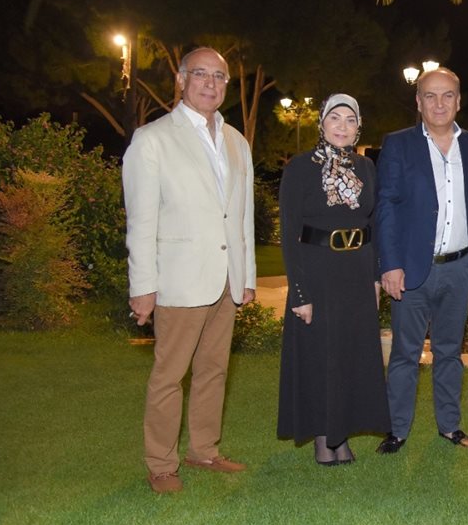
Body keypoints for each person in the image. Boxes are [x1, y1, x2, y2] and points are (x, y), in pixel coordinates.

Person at [122, 46, 255, 494]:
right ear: (181, 80)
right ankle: (161, 464)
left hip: (225, 279)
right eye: (201, 74)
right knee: (169, 376)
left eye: (219, 77)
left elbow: (242, 216)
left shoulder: (236, 141)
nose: (210, 84)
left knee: (214, 370)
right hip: (178, 280)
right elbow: (141, 221)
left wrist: (246, 276)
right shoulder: (152, 139)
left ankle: (204, 450)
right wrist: (143, 286)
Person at [374, 68, 468, 454]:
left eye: (447, 96)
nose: (439, 103)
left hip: (460, 269)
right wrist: (389, 264)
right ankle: (396, 429)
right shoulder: (398, 145)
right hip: (411, 269)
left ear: (459, 101)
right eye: (430, 95)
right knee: (405, 354)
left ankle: (450, 426)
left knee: (450, 353)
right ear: (418, 101)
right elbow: (385, 207)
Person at [276, 94, 390, 466]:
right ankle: (324, 438)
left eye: (350, 119)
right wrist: (299, 293)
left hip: (357, 272)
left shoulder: (366, 168)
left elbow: (373, 226)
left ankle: (341, 433)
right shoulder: (300, 167)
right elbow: (289, 233)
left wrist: (375, 280)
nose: (342, 126)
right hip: (317, 272)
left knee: (349, 355)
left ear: (359, 127)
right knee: (320, 356)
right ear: (321, 123)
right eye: (335, 118)